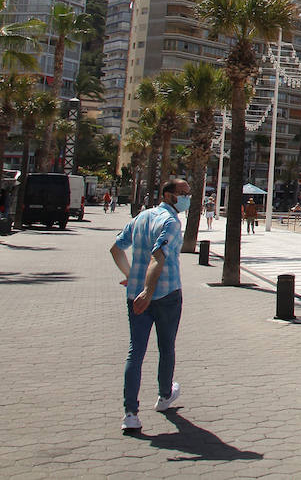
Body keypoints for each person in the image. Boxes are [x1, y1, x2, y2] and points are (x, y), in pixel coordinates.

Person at [111, 178, 191, 432]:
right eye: (183, 193)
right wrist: (148, 290)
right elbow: (159, 256)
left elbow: (115, 248)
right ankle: (164, 395)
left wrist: (130, 275)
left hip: (135, 294)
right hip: (165, 294)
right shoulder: (170, 222)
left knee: (136, 352)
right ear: (168, 195)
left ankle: (130, 413)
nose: (187, 197)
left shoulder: (141, 218)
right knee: (166, 347)